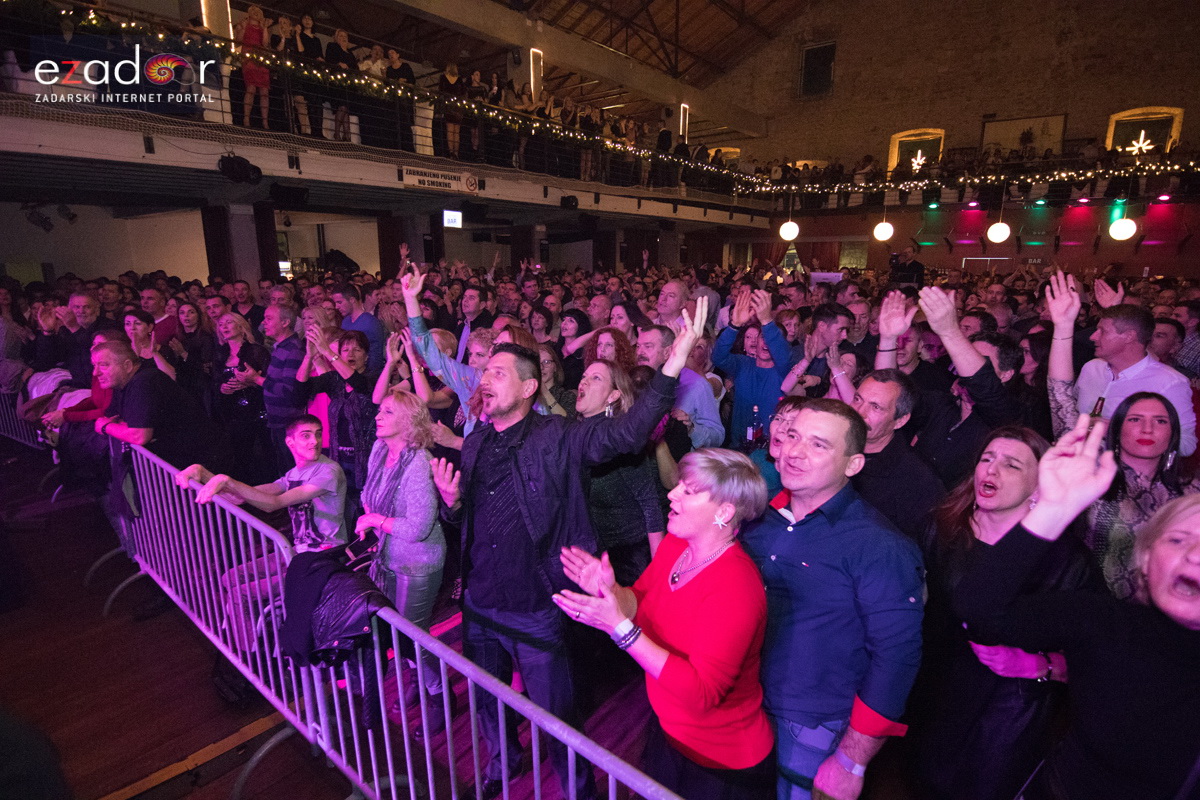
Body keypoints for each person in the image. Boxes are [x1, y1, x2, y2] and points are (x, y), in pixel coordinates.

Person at [427, 297, 709, 800]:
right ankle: (503, 756)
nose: (484, 380)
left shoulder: (559, 437)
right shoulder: (474, 444)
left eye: (497, 372)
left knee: (557, 717)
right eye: (484, 370)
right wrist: (451, 504)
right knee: (488, 700)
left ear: (529, 387)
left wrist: (674, 361)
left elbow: (627, 433)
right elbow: (468, 519)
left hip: (537, 605)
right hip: (480, 603)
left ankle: (579, 787)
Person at [952, 414, 1200, 800]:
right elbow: (979, 609)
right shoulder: (1106, 622)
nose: (1195, 557)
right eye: (1178, 540)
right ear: (1147, 560)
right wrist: (1054, 508)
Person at [553, 449, 774, 800]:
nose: (671, 493)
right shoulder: (676, 545)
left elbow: (701, 694)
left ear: (725, 512)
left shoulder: (736, 587)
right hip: (669, 733)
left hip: (721, 762)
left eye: (687, 490)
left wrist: (619, 629)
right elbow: (638, 602)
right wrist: (610, 590)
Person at [740, 399, 924, 800]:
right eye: (792, 436)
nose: (794, 451)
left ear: (853, 465)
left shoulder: (878, 546)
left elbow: (896, 659)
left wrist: (851, 760)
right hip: (746, 707)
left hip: (812, 727)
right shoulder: (761, 522)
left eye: (818, 445)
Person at [914, 426, 1099, 800]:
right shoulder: (942, 528)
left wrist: (1041, 667)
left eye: (1011, 465)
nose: (991, 471)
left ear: (1040, 485)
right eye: (986, 459)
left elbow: (1098, 652)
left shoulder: (1067, 561)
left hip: (1007, 714)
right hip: (934, 696)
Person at [176, 414, 347, 651]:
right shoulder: (294, 474)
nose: (314, 441)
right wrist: (205, 474)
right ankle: (258, 636)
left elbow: (272, 504)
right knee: (230, 578)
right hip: (298, 554)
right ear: (290, 443)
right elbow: (242, 496)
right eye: (306, 436)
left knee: (241, 594)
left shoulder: (329, 471)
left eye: (318, 434)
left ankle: (250, 659)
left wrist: (224, 480)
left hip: (323, 559)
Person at [356, 390, 448, 735]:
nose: (378, 415)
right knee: (397, 632)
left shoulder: (419, 463)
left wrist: (375, 522)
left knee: (412, 637)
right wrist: (372, 517)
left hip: (417, 563)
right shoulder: (381, 450)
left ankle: (440, 696)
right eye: (380, 409)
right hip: (388, 557)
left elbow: (419, 528)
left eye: (388, 411)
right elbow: (368, 494)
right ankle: (417, 682)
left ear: (409, 423)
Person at [574, 359, 663, 584]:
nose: (584, 381)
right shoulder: (572, 433)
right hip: (592, 553)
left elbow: (650, 505)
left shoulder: (621, 441)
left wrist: (659, 572)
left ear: (613, 395)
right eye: (584, 376)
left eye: (596, 378)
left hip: (629, 557)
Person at [92, 339, 220, 470]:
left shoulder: (145, 381)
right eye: (94, 365)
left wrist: (105, 426)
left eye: (103, 365)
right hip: (187, 461)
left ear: (127, 366)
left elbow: (140, 435)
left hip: (201, 463)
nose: (95, 373)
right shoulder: (129, 383)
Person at [849, 369, 944, 540]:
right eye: (857, 399)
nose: (859, 413)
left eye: (875, 407)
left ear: (900, 420)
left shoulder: (917, 481)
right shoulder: (833, 450)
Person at [297, 328, 377, 518]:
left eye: (357, 350)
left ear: (366, 356)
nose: (350, 354)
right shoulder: (334, 380)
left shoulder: (373, 377)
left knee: (365, 509)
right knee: (342, 511)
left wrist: (328, 353)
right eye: (346, 350)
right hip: (338, 457)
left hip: (368, 460)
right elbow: (299, 393)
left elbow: (359, 385)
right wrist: (308, 358)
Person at [713, 290, 793, 448]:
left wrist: (767, 322)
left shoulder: (784, 371)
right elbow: (718, 357)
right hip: (738, 447)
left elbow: (783, 354)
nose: (766, 343)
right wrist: (734, 326)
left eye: (771, 339)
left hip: (770, 450)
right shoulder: (742, 364)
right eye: (762, 337)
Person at [636, 325, 724, 449]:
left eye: (648, 346)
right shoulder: (633, 379)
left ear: (667, 352)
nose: (640, 352)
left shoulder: (696, 384)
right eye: (638, 346)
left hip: (680, 464)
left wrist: (691, 428)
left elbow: (717, 437)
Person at [212, 313, 272, 485]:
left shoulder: (256, 351)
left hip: (258, 411)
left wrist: (250, 382)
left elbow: (269, 380)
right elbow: (215, 382)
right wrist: (222, 388)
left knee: (263, 457)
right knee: (240, 457)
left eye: (229, 322)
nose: (224, 326)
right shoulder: (220, 354)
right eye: (221, 324)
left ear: (241, 327)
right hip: (234, 415)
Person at [234, 5, 272, 129]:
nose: (256, 13)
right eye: (253, 11)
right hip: (249, 57)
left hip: (261, 58)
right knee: (251, 88)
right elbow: (238, 41)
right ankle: (246, 118)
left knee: (264, 91)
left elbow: (265, 44)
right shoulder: (243, 24)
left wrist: (265, 28)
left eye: (258, 11)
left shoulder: (262, 28)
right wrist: (243, 28)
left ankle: (265, 121)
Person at [334, 285, 387, 373]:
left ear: (352, 300)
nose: (336, 307)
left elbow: (375, 357)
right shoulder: (346, 321)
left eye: (339, 302)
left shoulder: (370, 322)